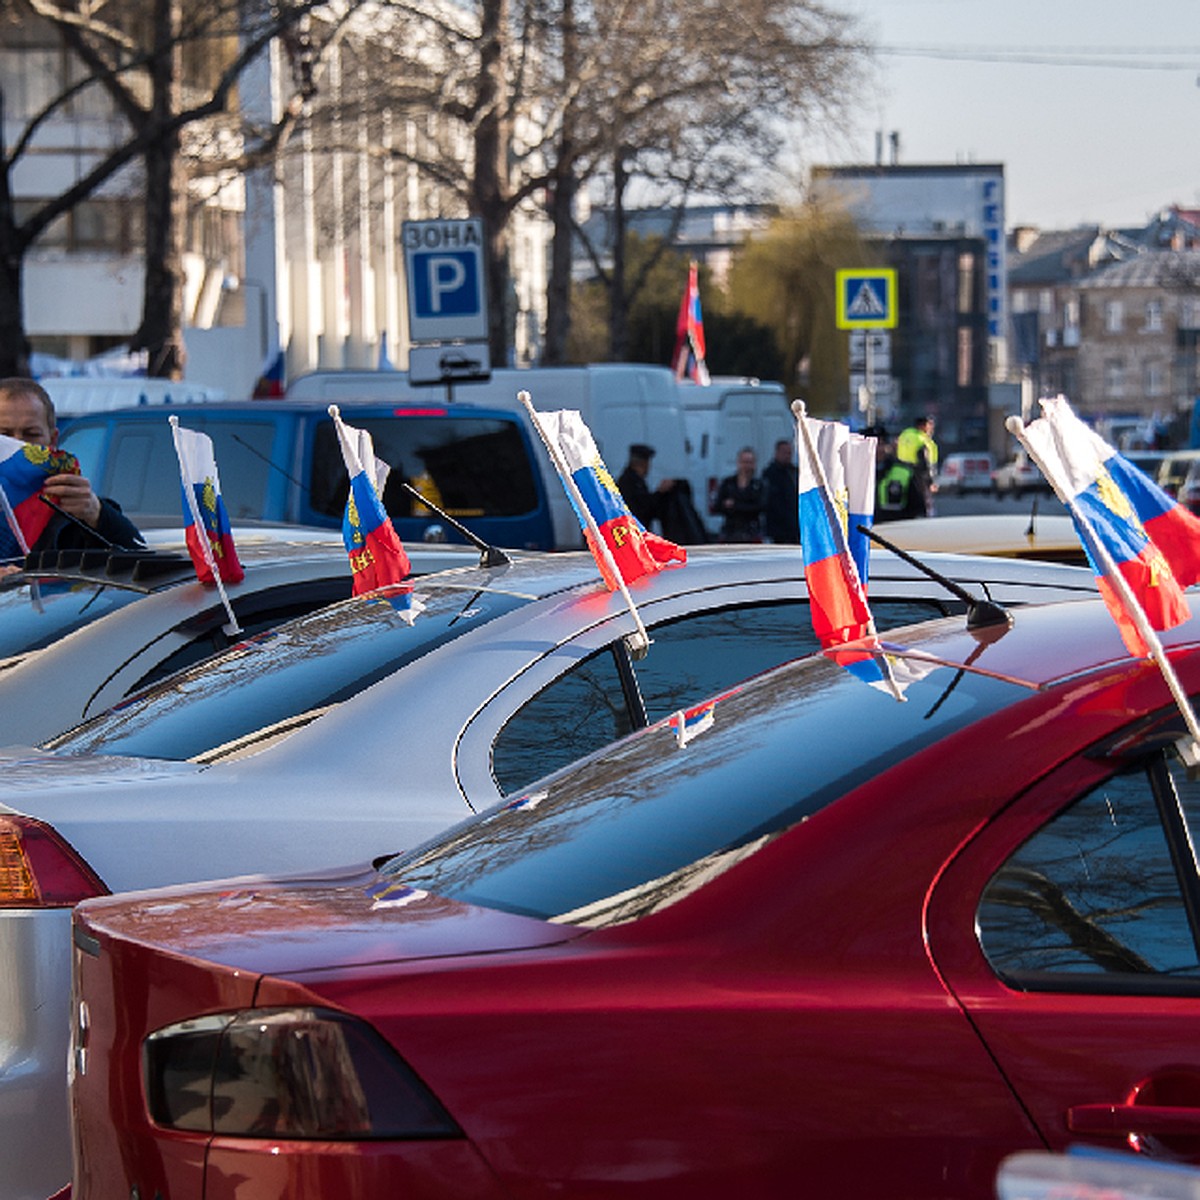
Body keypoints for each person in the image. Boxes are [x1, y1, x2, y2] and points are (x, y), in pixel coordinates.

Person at [0, 377, 143, 558]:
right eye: (5, 436)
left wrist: (96, 514)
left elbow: (139, 558)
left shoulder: (74, 504)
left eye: (31, 434)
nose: (18, 444)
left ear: (52, 440)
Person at [617, 443, 674, 532]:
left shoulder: (634, 480)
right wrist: (659, 492)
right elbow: (644, 507)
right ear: (643, 464)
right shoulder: (630, 482)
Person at [713, 446, 765, 543]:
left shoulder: (760, 485)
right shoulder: (728, 483)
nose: (747, 466)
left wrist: (735, 505)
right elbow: (717, 506)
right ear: (738, 463)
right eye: (744, 462)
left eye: (750, 463)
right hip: (730, 531)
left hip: (752, 531)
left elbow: (760, 506)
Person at [894, 414, 939, 518]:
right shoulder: (921, 439)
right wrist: (930, 482)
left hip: (900, 473)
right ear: (923, 426)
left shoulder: (905, 434)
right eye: (929, 425)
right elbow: (924, 462)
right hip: (917, 477)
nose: (931, 428)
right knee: (923, 506)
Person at [761, 437, 799, 544]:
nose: (787, 456)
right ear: (777, 453)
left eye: (789, 453)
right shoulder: (770, 473)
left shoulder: (794, 472)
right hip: (778, 526)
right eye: (784, 453)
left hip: (793, 524)